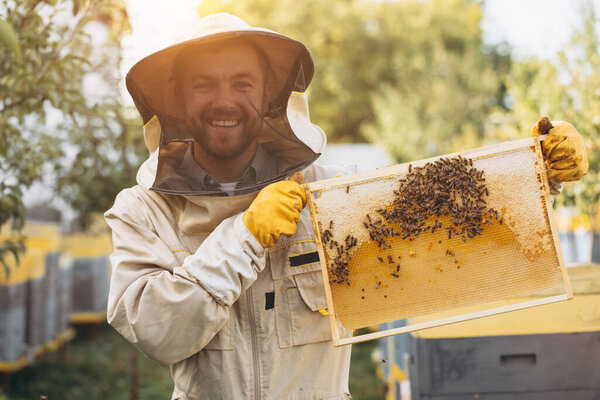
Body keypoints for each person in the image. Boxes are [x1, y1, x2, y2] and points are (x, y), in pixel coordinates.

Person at [104, 13, 588, 400]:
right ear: (179, 99)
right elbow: (156, 330)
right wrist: (244, 236)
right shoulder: (143, 211)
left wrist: (536, 179)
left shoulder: (331, 195)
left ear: (270, 95)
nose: (224, 100)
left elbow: (437, 239)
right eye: (204, 84)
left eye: (243, 83)